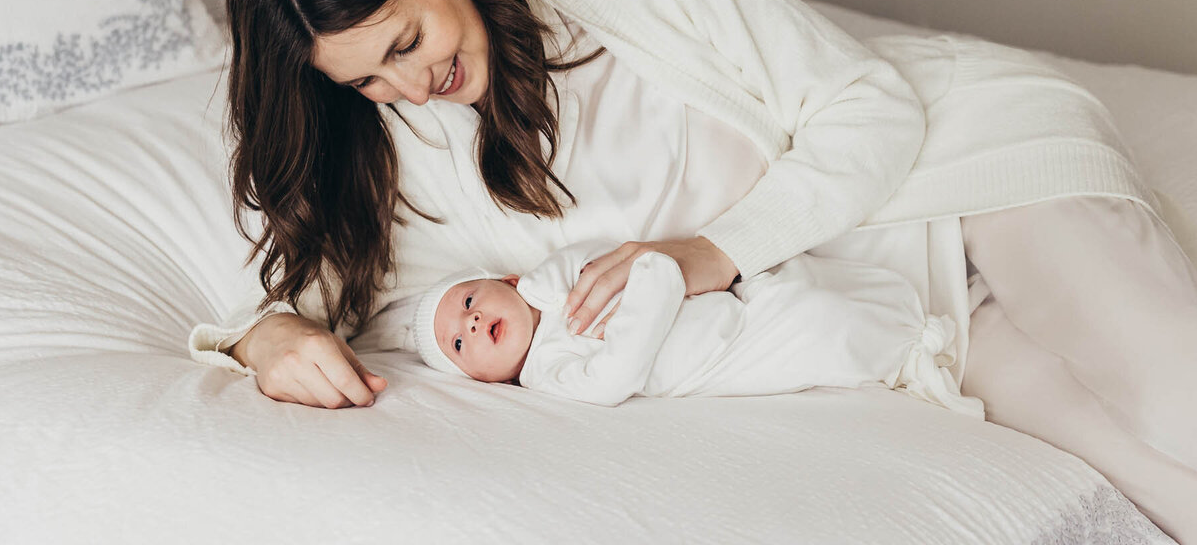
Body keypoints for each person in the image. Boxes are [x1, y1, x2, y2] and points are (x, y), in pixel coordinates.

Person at [187, 0, 1197, 539]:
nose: (408, 87)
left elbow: (870, 108)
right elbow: (305, 303)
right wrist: (260, 338)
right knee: (1147, 478)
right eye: (366, 79)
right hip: (905, 318)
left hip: (964, 174)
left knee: (1171, 389)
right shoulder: (392, 155)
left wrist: (705, 253)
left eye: (407, 42)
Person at [412, 239, 983, 416]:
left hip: (726, 303)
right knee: (821, 332)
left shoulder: (555, 284)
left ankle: (944, 279)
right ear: (483, 381)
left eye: (468, 300)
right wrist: (651, 291)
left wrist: (536, 290)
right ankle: (908, 348)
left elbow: (597, 258)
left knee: (800, 285)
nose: (471, 320)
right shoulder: (546, 376)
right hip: (722, 353)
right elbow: (613, 377)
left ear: (507, 282)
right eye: (458, 343)